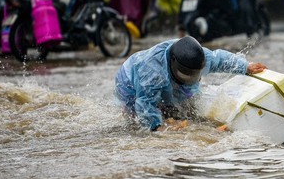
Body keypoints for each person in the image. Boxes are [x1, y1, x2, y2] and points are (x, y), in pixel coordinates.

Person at [114, 36, 267, 131]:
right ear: (173, 63)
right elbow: (145, 104)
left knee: (188, 112)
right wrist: (159, 127)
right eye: (185, 75)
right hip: (129, 85)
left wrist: (245, 67)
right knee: (139, 124)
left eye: (194, 75)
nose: (190, 79)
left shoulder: (201, 57)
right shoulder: (152, 74)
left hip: (165, 79)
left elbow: (220, 58)